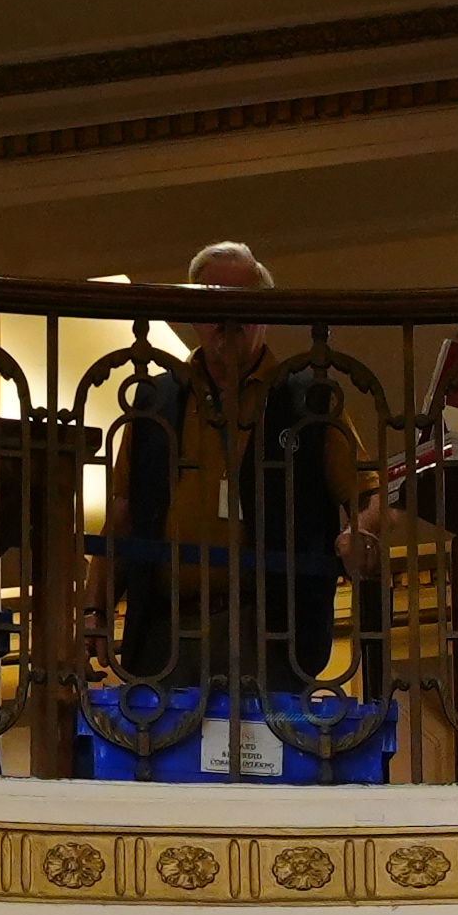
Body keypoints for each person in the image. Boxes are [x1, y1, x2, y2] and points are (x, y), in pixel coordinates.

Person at [106, 243, 368, 729]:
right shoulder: (154, 400)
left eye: (241, 303)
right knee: (166, 771)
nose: (227, 316)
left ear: (265, 314)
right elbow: (123, 515)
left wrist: (360, 534)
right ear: (192, 316)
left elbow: (366, 496)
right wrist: (91, 610)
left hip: (271, 629)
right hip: (166, 628)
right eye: (212, 302)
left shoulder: (310, 400)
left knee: (268, 770)